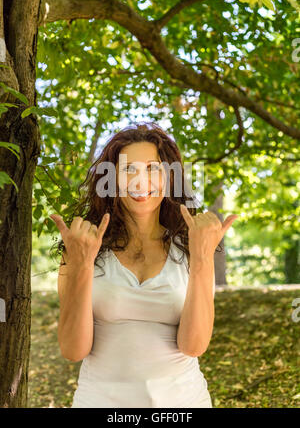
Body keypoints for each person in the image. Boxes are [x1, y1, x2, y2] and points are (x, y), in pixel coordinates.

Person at [50, 122, 238, 408]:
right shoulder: (82, 246)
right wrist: (83, 265)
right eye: (128, 170)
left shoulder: (192, 246)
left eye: (153, 169)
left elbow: (194, 346)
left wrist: (201, 258)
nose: (141, 182)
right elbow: (74, 350)